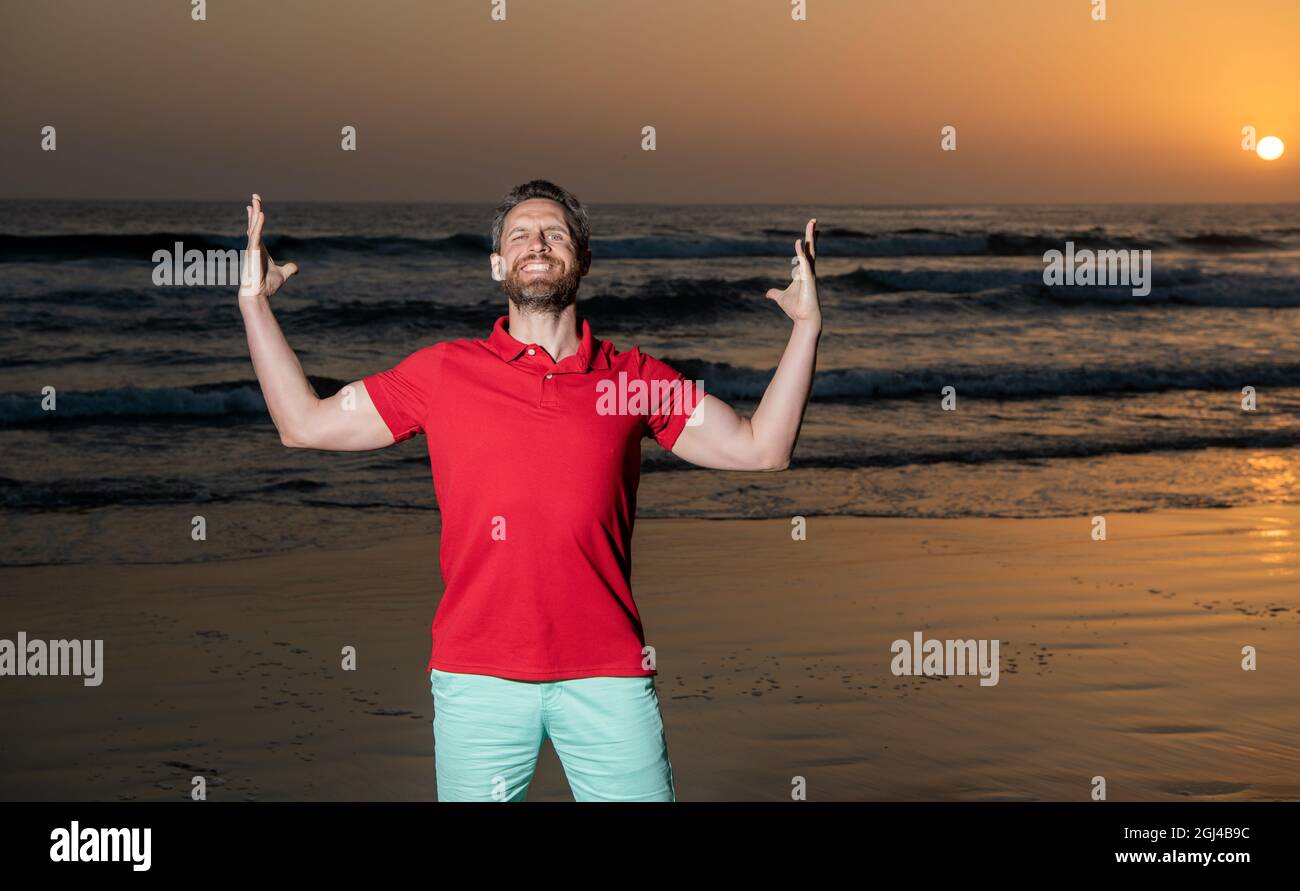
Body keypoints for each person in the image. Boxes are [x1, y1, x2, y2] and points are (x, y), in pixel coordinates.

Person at [235, 180, 821, 801]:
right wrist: (253, 303)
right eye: (519, 235)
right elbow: (303, 425)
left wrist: (806, 327)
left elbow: (763, 448)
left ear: (583, 259)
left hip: (609, 674)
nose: (536, 244)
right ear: (497, 265)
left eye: (555, 234)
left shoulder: (632, 380)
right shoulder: (442, 373)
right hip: (477, 674)